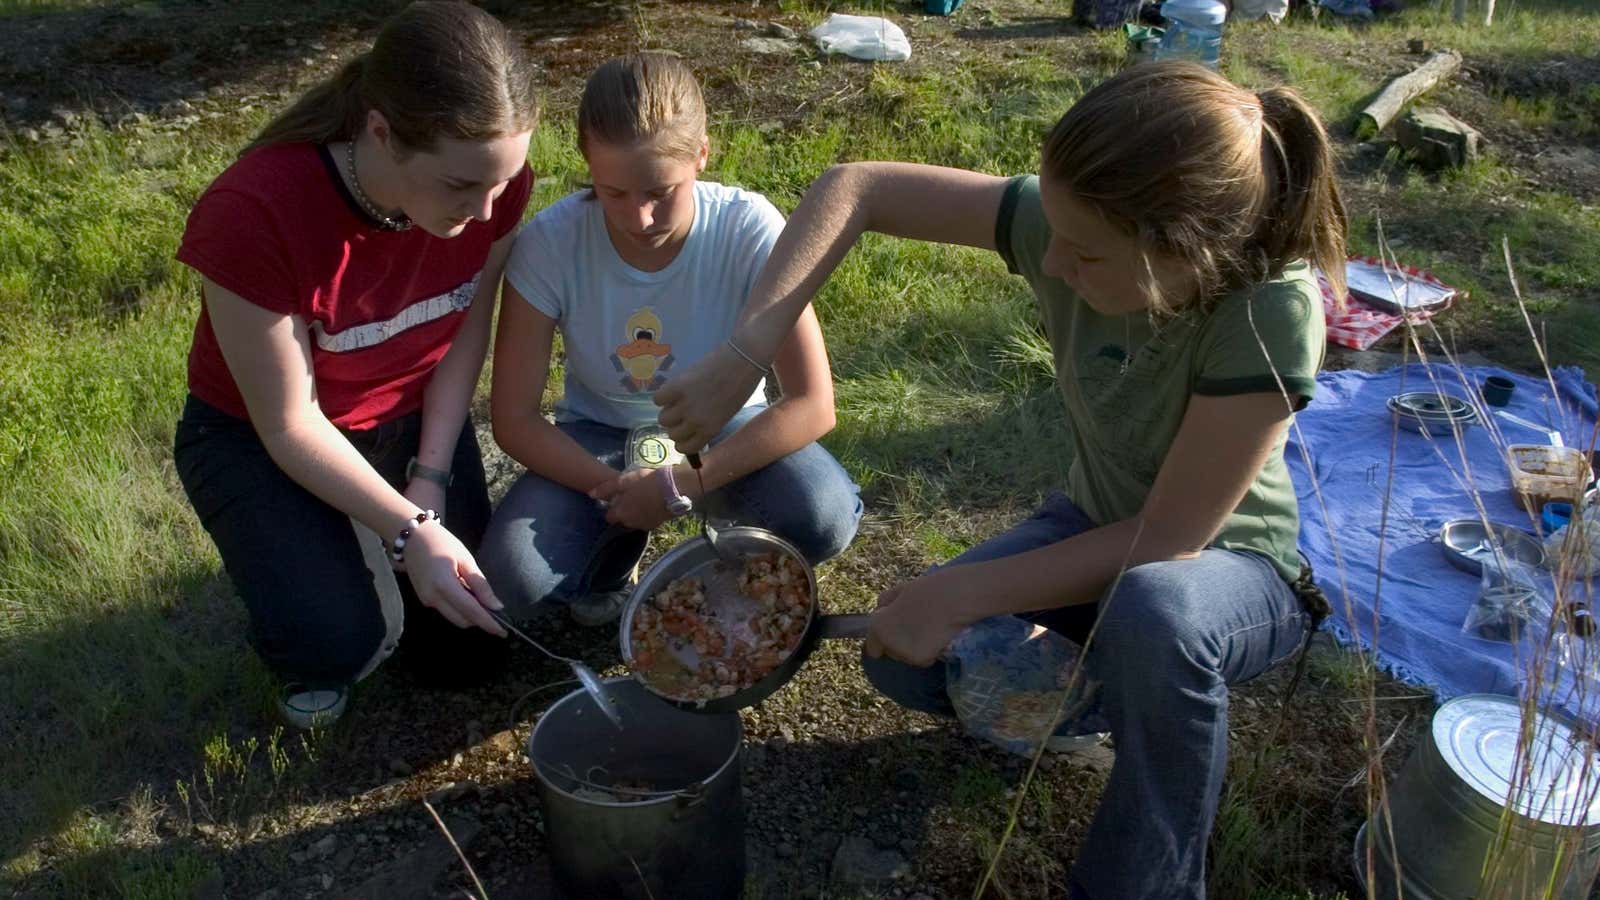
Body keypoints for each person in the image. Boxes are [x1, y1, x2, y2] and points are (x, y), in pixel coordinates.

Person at [653, 62, 1346, 899]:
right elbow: (857, 186)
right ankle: (1107, 696)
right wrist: (744, 353)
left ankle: (1149, 875)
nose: (1050, 261)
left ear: (1181, 254)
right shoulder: (1079, 232)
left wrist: (967, 594)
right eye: (1050, 229)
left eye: (1084, 254)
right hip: (1092, 525)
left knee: (1154, 614)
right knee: (905, 661)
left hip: (1228, 573)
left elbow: (1169, 539)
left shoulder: (1267, 310)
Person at [172, 1, 537, 728]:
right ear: (380, 132)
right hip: (259, 440)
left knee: (472, 646)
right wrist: (410, 531)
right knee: (343, 641)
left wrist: (429, 479)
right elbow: (289, 424)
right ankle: (304, 603)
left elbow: (465, 334)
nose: (487, 208)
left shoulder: (492, 191)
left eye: (502, 182)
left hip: (405, 415)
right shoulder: (254, 211)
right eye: (463, 186)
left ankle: (350, 554)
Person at [480, 52, 861, 627]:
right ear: (586, 162)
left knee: (822, 515)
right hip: (598, 435)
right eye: (612, 193)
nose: (639, 218)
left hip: (724, 427)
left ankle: (731, 546)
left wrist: (682, 484)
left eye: (661, 191)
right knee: (510, 582)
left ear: (702, 154)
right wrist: (621, 489)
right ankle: (613, 562)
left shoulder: (747, 227)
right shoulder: (550, 243)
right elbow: (514, 419)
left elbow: (813, 403)